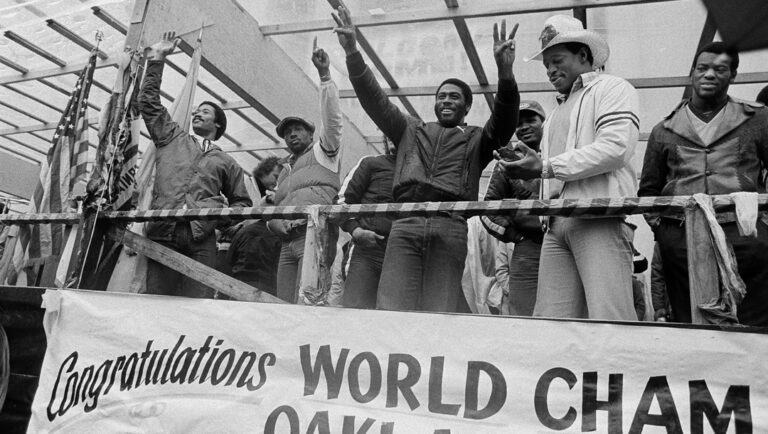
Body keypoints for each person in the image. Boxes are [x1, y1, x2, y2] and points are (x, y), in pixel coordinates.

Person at [334, 6, 520, 312]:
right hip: (405, 223)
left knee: (440, 308)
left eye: (455, 97)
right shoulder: (410, 129)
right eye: (441, 96)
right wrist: (352, 52)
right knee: (392, 305)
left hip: (450, 226)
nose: (446, 100)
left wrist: (506, 73)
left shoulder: (476, 137)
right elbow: (374, 100)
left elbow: (504, 123)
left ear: (467, 107)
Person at [498, 15, 639, 320]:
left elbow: (615, 149)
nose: (550, 70)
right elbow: (552, 175)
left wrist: (544, 167)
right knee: (551, 321)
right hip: (556, 226)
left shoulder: (612, 88)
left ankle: (614, 369)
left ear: (584, 55)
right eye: (546, 63)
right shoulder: (556, 113)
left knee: (610, 317)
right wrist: (526, 167)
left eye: (557, 60)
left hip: (598, 218)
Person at [638, 42, 768, 326]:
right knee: (690, 319)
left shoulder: (757, 119)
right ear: (692, 73)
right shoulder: (664, 130)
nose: (709, 74)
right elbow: (648, 190)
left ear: (733, 75)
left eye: (720, 69)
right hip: (681, 238)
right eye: (702, 68)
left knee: (755, 320)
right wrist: (665, 234)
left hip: (746, 235)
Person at [139, 32, 252, 298]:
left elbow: (242, 203)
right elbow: (148, 103)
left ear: (218, 124)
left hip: (202, 239)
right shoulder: (171, 137)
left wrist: (218, 219)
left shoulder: (227, 162)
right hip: (163, 230)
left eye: (205, 111)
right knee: (156, 299)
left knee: (197, 303)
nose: (196, 113)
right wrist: (156, 60)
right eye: (196, 110)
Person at [267, 39, 343, 304]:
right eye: (287, 133)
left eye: (297, 129)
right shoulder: (285, 170)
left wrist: (325, 77)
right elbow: (274, 209)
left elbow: (333, 121)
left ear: (311, 133)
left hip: (315, 236)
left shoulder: (324, 153)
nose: (291, 135)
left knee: (309, 302)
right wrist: (276, 224)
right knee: (284, 304)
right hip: (287, 243)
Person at [482, 100, 547, 316]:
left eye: (531, 120)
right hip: (528, 247)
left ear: (544, 123)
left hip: (566, 238)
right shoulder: (506, 160)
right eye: (519, 123)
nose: (524, 126)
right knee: (524, 312)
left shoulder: (560, 152)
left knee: (566, 309)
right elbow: (489, 208)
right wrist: (515, 236)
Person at [335, 140, 397, 309]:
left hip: (403, 255)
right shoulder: (370, 163)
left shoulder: (418, 171)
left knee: (395, 319)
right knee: (355, 313)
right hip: (367, 252)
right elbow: (342, 202)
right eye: (387, 134)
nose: (391, 137)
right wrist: (356, 231)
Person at [227, 157, 283, 297]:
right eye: (275, 176)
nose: (277, 183)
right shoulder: (246, 183)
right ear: (264, 171)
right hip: (237, 241)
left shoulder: (267, 192)